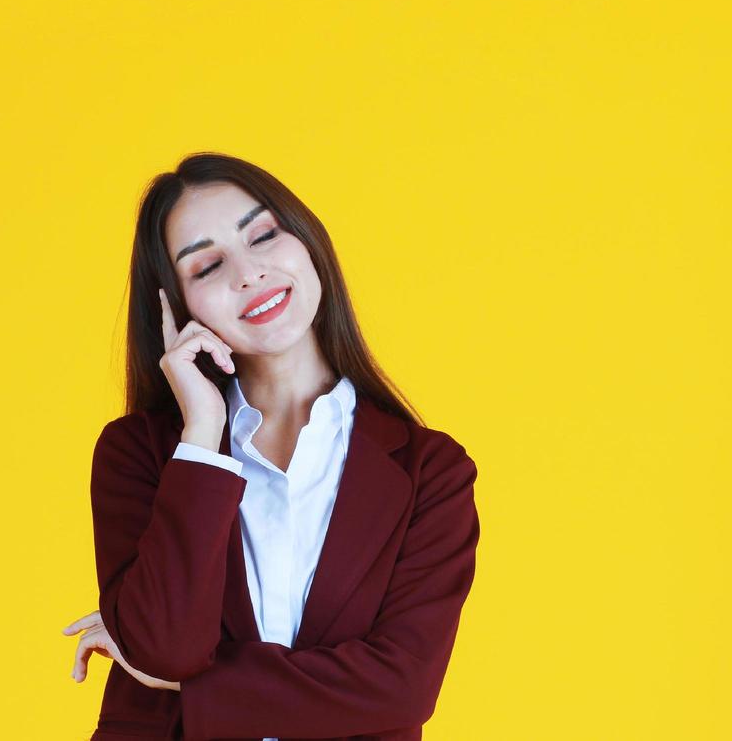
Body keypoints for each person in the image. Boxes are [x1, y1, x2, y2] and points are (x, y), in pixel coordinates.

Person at [61, 152, 481, 740]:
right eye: (206, 267)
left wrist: (195, 688)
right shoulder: (141, 455)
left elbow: (401, 689)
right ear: (176, 308)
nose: (248, 273)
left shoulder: (429, 471)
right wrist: (202, 433)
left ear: (308, 242)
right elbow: (166, 647)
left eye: (263, 235)